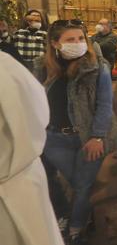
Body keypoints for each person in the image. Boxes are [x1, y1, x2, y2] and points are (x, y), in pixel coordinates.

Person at [33, 19, 117, 244]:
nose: (78, 43)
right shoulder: (42, 67)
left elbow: (104, 104)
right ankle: (66, 214)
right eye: (70, 40)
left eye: (81, 38)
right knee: (73, 182)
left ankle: (76, 227)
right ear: (55, 43)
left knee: (82, 186)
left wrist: (97, 136)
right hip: (55, 139)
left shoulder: (97, 66)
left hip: (88, 138)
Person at [0, 52, 65, 245]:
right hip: (28, 169)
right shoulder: (38, 65)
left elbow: (36, 113)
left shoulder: (6, 66)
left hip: (21, 176)